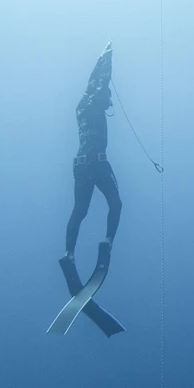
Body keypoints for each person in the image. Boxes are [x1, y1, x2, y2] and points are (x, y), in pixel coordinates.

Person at [64, 42, 122, 262]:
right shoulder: (94, 102)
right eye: (108, 98)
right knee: (116, 204)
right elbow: (98, 83)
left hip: (81, 165)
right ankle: (107, 243)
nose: (109, 102)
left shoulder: (81, 108)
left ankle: (69, 253)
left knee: (80, 210)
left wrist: (102, 60)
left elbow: (93, 83)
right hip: (96, 163)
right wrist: (107, 57)